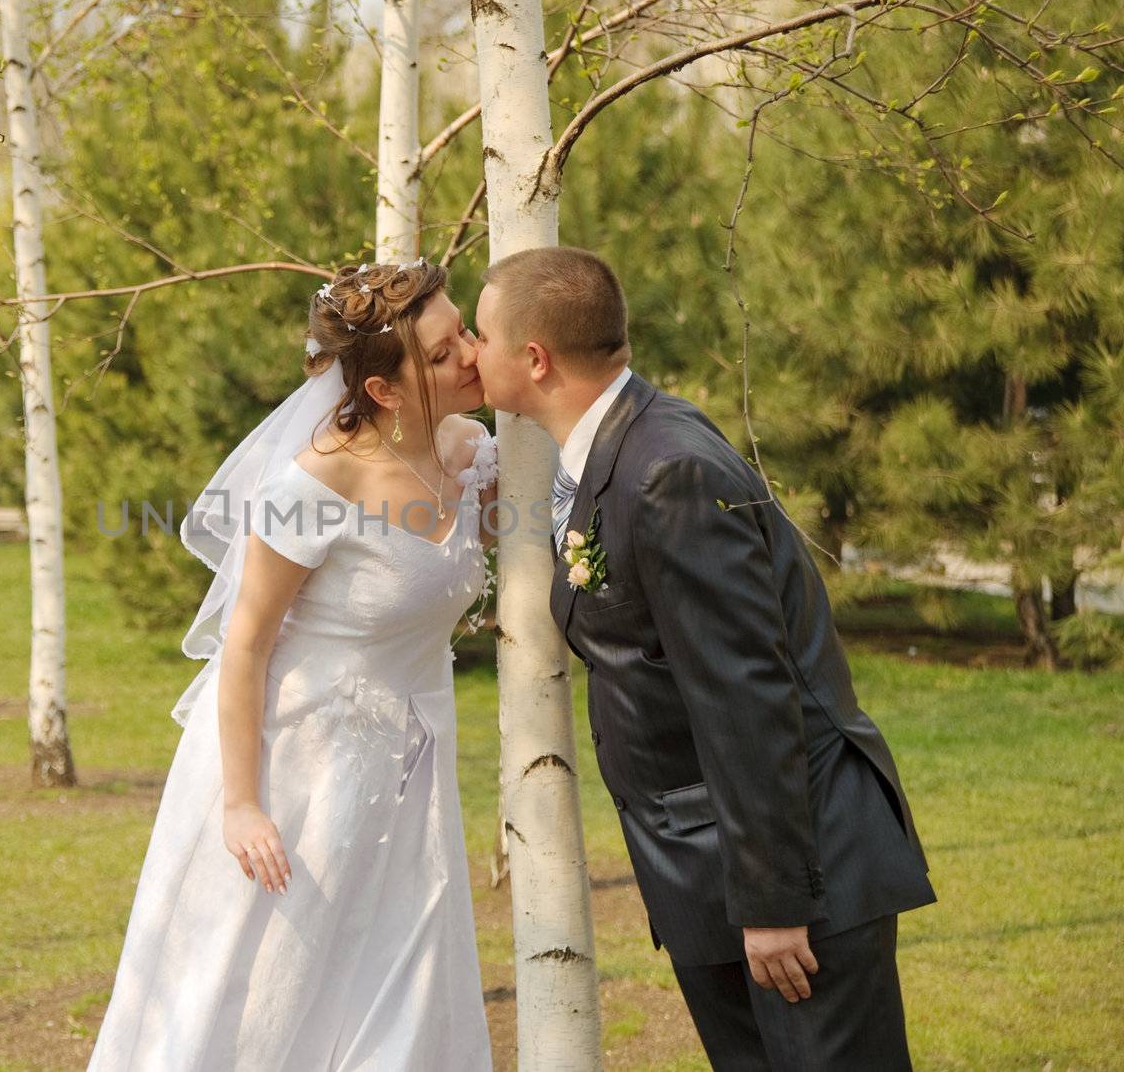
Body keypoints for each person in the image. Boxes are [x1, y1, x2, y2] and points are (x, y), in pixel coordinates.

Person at [471, 245, 937, 1070]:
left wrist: (772, 904)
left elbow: (746, 692)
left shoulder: (668, 468)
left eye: (481, 336)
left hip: (795, 879)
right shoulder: (617, 446)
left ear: (534, 359)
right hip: (709, 869)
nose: (473, 355)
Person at [87, 258, 497, 1071]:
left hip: (412, 768)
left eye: (467, 335)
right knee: (263, 988)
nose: (476, 354)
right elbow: (245, 644)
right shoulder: (314, 481)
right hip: (296, 770)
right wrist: (241, 806)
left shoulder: (472, 455)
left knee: (398, 980)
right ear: (382, 391)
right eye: (447, 352)